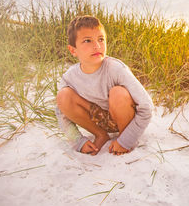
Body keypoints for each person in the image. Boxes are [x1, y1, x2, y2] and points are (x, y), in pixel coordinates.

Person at [55, 15, 153, 156]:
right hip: (97, 118)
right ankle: (101, 135)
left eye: (101, 39)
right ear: (73, 50)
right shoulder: (69, 77)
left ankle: (122, 139)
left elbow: (147, 107)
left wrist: (126, 140)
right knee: (63, 96)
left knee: (118, 93)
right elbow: (61, 112)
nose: (97, 46)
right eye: (87, 41)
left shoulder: (116, 68)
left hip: (122, 117)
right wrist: (78, 141)